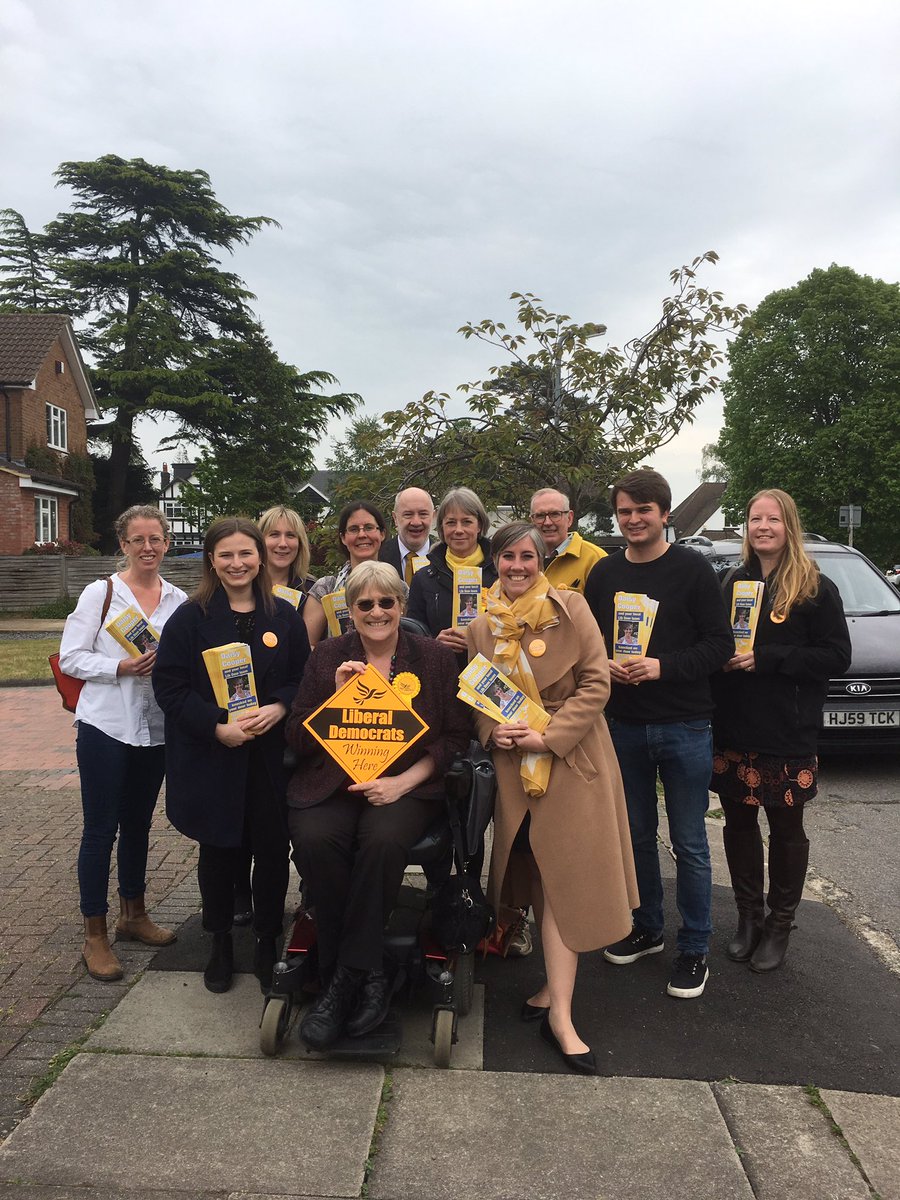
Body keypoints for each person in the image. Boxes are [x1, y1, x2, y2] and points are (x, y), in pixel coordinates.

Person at [467, 522, 638, 1073]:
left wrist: (549, 736)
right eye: (507, 557)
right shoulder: (480, 626)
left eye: (527, 556)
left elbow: (596, 683)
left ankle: (560, 1016)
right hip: (515, 773)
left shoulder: (572, 608)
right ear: (494, 561)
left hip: (571, 761)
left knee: (565, 882)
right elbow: (476, 698)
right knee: (539, 878)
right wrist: (493, 732)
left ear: (541, 560)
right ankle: (551, 989)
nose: (517, 566)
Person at [285, 561, 470, 1049]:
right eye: (364, 603)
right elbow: (296, 736)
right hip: (336, 781)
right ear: (349, 611)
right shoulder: (328, 656)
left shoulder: (433, 658)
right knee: (315, 838)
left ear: (401, 606)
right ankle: (369, 974)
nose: (376, 611)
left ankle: (342, 979)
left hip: (404, 785)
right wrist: (336, 699)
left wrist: (402, 783)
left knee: (383, 840)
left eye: (387, 602)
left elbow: (455, 737)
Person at [585, 469, 733, 999]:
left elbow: (719, 645)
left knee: (689, 842)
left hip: (684, 723)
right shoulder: (604, 573)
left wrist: (661, 667)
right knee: (636, 837)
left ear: (664, 514)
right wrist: (604, 663)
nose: (633, 519)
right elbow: (590, 643)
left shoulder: (693, 570)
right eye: (625, 511)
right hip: (624, 725)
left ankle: (694, 948)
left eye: (643, 510)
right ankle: (647, 927)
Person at [153, 517, 309, 994]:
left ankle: (267, 937)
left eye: (245, 553)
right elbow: (170, 687)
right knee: (220, 851)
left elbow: (302, 678)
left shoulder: (284, 616)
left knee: (271, 850)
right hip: (215, 756)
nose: (237, 563)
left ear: (260, 558)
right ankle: (219, 940)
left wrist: (280, 706)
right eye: (226, 555)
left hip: (269, 757)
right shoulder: (190, 618)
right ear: (211, 561)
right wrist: (216, 727)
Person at [711, 489, 851, 972]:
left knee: (786, 828)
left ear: (789, 526)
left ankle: (779, 924)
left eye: (772, 519)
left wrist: (769, 658)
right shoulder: (733, 582)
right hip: (735, 727)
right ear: (746, 528)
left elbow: (837, 656)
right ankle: (748, 917)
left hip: (787, 730)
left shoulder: (815, 588)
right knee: (738, 824)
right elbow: (715, 641)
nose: (763, 527)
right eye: (755, 519)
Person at [59, 505, 186, 981]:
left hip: (155, 730)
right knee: (100, 830)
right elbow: (71, 657)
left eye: (155, 539)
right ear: (123, 544)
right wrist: (119, 667)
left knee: (138, 825)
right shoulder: (102, 593)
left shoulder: (177, 599)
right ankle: (95, 934)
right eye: (138, 540)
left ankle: (133, 914)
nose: (147, 548)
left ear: (167, 543)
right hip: (106, 726)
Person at [407, 486, 498, 664]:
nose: (458, 530)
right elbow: (411, 637)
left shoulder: (500, 573)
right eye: (451, 522)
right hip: (441, 670)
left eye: (466, 522)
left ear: (479, 525)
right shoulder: (423, 578)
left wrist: (481, 641)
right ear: (441, 527)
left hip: (491, 672)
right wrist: (434, 644)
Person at [303, 501, 389, 648]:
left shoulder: (397, 587)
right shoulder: (326, 588)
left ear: (382, 534)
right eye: (354, 529)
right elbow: (307, 645)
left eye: (369, 527)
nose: (362, 535)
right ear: (343, 537)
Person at [529, 487, 606, 594]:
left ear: (569, 518)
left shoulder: (595, 559)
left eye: (555, 514)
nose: (547, 522)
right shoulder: (521, 558)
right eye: (540, 516)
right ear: (532, 521)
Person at [259, 505, 316, 604]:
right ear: (260, 540)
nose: (283, 544)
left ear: (300, 543)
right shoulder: (244, 584)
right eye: (274, 534)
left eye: (290, 535)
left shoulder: (312, 590)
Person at [379, 486, 435, 583]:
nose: (416, 522)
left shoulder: (446, 558)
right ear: (395, 518)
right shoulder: (378, 558)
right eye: (408, 514)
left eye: (423, 514)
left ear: (433, 517)